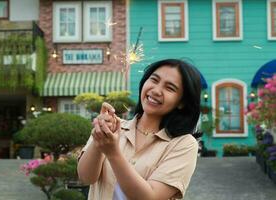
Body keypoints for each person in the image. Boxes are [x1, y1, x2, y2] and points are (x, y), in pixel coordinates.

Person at [77, 59, 201, 200]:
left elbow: (150, 196)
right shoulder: (113, 129)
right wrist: (99, 141)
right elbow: (86, 177)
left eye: (169, 88)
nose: (156, 90)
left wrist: (112, 153)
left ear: (182, 102)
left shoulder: (183, 144)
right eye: (154, 80)